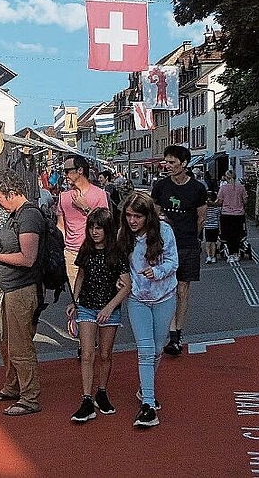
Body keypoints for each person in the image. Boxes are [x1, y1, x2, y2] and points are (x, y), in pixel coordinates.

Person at [0, 170, 44, 417]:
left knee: (19, 345)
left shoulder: (28, 216)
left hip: (22, 288)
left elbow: (28, 258)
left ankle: (29, 397)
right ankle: (13, 386)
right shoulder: (16, 215)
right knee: (7, 343)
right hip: (11, 286)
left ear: (11, 192)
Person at [117, 192, 178, 427]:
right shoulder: (125, 235)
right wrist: (119, 280)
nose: (132, 221)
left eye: (137, 216)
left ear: (147, 216)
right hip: (137, 299)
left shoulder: (164, 231)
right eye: (129, 215)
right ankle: (149, 405)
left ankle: (145, 390)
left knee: (157, 349)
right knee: (145, 350)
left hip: (164, 296)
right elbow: (120, 264)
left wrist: (158, 272)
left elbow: (174, 262)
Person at [66, 208, 131, 423]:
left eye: (99, 227)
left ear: (107, 229)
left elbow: (126, 286)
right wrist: (75, 302)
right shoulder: (86, 250)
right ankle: (86, 398)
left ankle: (101, 391)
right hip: (86, 307)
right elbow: (80, 277)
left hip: (108, 309)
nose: (94, 232)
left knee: (105, 354)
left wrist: (109, 308)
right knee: (87, 354)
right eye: (92, 227)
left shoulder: (117, 253)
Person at [151, 145, 206, 356]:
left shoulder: (197, 189)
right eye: (166, 161)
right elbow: (154, 215)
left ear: (184, 164)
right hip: (165, 246)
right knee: (168, 288)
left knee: (183, 288)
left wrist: (192, 236)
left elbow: (201, 217)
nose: (168, 166)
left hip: (188, 244)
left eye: (172, 162)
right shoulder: (161, 187)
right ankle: (171, 333)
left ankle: (176, 334)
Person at [57, 155, 109, 292]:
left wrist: (85, 207)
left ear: (80, 170)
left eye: (68, 171)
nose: (65, 175)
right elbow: (61, 226)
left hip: (95, 250)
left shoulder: (99, 194)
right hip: (71, 253)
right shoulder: (64, 196)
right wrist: (61, 249)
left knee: (96, 293)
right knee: (77, 297)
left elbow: (105, 223)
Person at [216, 170, 248, 263]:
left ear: (226, 177)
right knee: (237, 234)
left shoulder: (223, 188)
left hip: (226, 214)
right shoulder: (241, 187)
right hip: (238, 214)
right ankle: (236, 253)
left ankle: (230, 255)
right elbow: (245, 201)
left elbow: (219, 201)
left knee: (228, 235)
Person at [204, 191, 221, 264]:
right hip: (215, 226)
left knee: (208, 242)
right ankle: (213, 256)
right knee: (214, 242)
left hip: (207, 227)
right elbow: (219, 218)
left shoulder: (205, 209)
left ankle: (208, 256)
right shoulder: (217, 209)